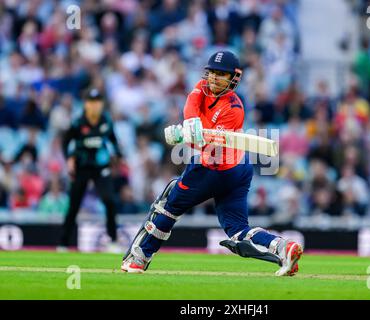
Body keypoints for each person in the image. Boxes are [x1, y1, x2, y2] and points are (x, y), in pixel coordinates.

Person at [121, 51, 303, 276]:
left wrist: (185, 136)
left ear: (233, 79)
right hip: (239, 168)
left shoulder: (234, 110)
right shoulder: (201, 87)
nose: (214, 78)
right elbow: (191, 105)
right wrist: (190, 124)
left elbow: (210, 148)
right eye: (212, 73)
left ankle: (140, 257)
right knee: (237, 231)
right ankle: (283, 247)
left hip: (214, 169)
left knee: (169, 207)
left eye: (221, 75)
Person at [58, 88, 124, 252]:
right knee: (74, 205)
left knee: (109, 201)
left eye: (98, 102)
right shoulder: (78, 122)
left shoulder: (105, 121)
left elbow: (113, 140)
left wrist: (118, 156)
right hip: (81, 167)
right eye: (91, 102)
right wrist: (69, 158)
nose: (95, 106)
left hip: (101, 167)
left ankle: (113, 240)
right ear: (86, 104)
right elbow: (66, 142)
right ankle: (64, 243)